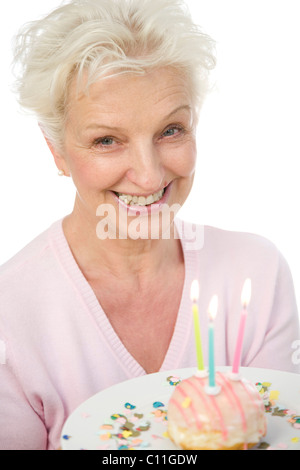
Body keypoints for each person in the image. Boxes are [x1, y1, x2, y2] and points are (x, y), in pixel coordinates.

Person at [0, 0, 299, 451]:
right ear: (57, 152)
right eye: (106, 140)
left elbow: (280, 436)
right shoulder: (10, 315)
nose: (151, 175)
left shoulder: (255, 274)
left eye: (171, 130)